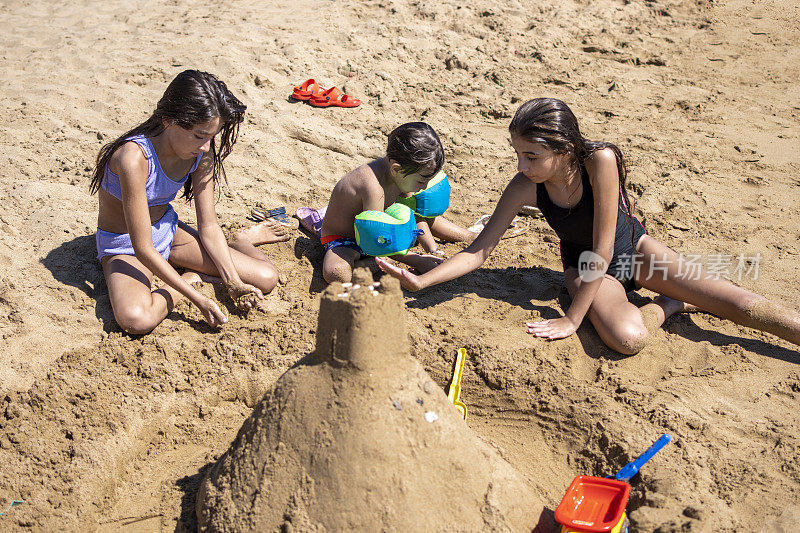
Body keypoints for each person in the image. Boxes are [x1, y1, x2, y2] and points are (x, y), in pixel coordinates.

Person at [377, 98, 800, 353]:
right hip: (583, 268)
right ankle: (668, 305)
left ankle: (682, 297)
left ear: (563, 149)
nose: (521, 166)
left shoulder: (600, 161)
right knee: (628, 338)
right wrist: (424, 283)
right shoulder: (525, 186)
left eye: (531, 156)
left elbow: (606, 248)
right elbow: (477, 252)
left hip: (632, 252)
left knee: (743, 304)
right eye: (517, 154)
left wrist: (573, 320)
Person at [90, 70, 288, 334]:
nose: (206, 146)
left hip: (168, 231)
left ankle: (242, 240)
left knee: (266, 278)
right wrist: (197, 297)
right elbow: (143, 249)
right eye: (199, 135)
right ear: (169, 120)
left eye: (211, 136)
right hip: (125, 245)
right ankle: (191, 276)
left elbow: (208, 226)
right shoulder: (133, 158)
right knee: (136, 320)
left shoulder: (200, 152)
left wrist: (232, 282)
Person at [320, 122, 459, 284]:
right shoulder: (373, 187)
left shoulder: (401, 176)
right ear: (397, 169)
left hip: (382, 231)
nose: (425, 186)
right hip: (346, 240)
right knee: (337, 272)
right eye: (422, 180)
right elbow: (378, 239)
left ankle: (468, 236)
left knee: (421, 213)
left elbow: (415, 217)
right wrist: (417, 260)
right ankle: (372, 265)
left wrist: (432, 249)